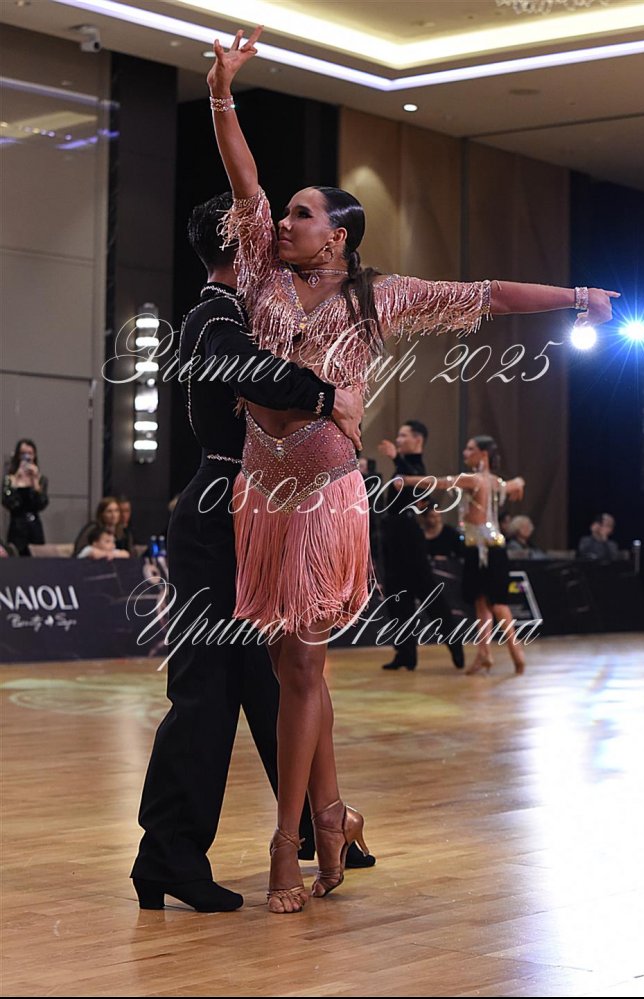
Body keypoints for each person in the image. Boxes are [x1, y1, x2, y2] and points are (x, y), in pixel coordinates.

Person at [207, 25, 619, 912]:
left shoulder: (379, 295)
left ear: (340, 235)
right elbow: (243, 179)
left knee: (302, 667)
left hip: (324, 498)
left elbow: (487, 295)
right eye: (285, 214)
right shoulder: (260, 276)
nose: (285, 222)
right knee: (290, 670)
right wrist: (221, 93)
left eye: (302, 215)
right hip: (260, 494)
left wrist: (577, 296)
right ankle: (334, 819)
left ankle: (287, 843)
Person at [130, 194, 367, 914]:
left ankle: (320, 825)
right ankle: (167, 854)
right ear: (244, 239)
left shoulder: (260, 310)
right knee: (206, 692)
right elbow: (249, 371)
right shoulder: (217, 315)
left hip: (256, 509)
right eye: (267, 226)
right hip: (219, 512)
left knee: (279, 681)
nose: (280, 234)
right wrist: (326, 397)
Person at [396, 436, 526, 675]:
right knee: (481, 602)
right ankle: (484, 654)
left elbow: (440, 483)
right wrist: (520, 483)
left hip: (487, 550)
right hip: (480, 548)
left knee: (497, 604)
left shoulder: (474, 479)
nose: (465, 453)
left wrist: (407, 481)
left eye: (470, 449)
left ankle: (517, 652)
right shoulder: (495, 481)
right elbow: (515, 483)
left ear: (483, 454)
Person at [378, 421, 464, 671]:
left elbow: (418, 483)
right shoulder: (403, 466)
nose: (398, 440)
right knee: (397, 598)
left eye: (403, 435)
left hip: (410, 539)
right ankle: (405, 654)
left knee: (429, 594)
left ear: (418, 440)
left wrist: (396, 459)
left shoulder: (415, 467)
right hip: (393, 537)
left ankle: (454, 641)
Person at [2, 438, 49, 556]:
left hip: (34, 526)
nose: (26, 457)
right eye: (23, 454)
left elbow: (42, 503)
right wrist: (16, 482)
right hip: (17, 527)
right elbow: (8, 502)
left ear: (34, 455)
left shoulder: (41, 479)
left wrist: (35, 482)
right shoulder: (10, 479)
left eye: (30, 453)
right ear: (18, 456)